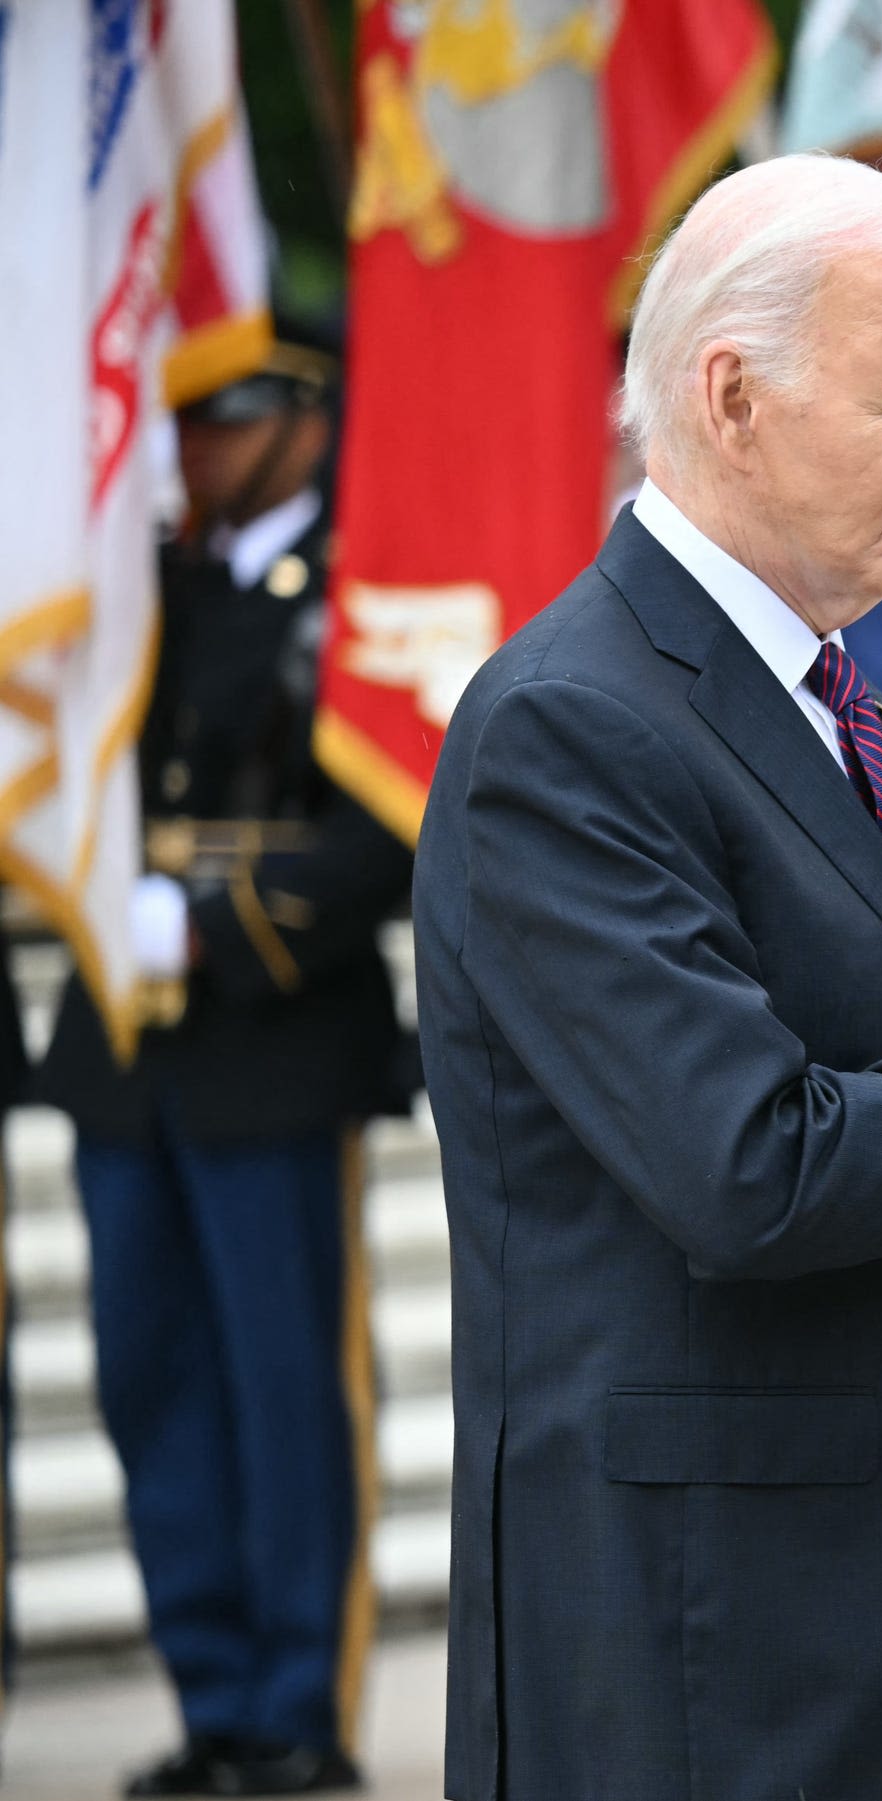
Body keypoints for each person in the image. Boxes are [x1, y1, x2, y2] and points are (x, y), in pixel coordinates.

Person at [412, 154, 882, 1800]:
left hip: (874, 1663)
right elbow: (751, 1166)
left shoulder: (823, 688)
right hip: (718, 1688)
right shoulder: (567, 728)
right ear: (731, 397)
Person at [33, 328, 411, 1796]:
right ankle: (212, 1697)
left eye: (228, 417)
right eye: (181, 421)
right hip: (130, 1054)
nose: (191, 446)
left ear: (305, 420)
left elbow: (392, 818)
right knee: (151, 1377)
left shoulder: (368, 582)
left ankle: (298, 1710)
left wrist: (216, 925)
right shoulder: (142, 587)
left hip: (270, 1039)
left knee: (284, 1383)